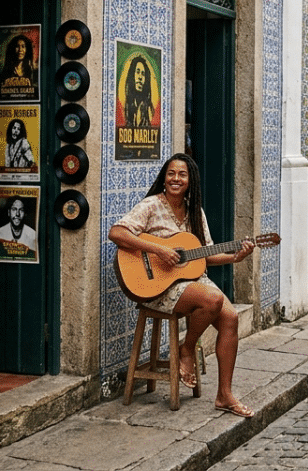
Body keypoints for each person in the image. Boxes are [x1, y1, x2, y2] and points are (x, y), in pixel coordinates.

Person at [109, 153, 257, 418]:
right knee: (213, 299)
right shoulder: (151, 205)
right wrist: (158, 249)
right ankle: (186, 349)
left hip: (191, 281)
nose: (175, 179)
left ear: (191, 181)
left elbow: (206, 254)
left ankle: (224, 395)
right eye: (171, 173)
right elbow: (117, 232)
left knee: (231, 318)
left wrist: (236, 256)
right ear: (164, 178)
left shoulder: (194, 211)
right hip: (158, 286)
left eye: (182, 174)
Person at [123, 55, 155, 127]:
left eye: (143, 74)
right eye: (137, 72)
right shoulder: (127, 107)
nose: (140, 77)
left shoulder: (148, 110)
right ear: (132, 75)